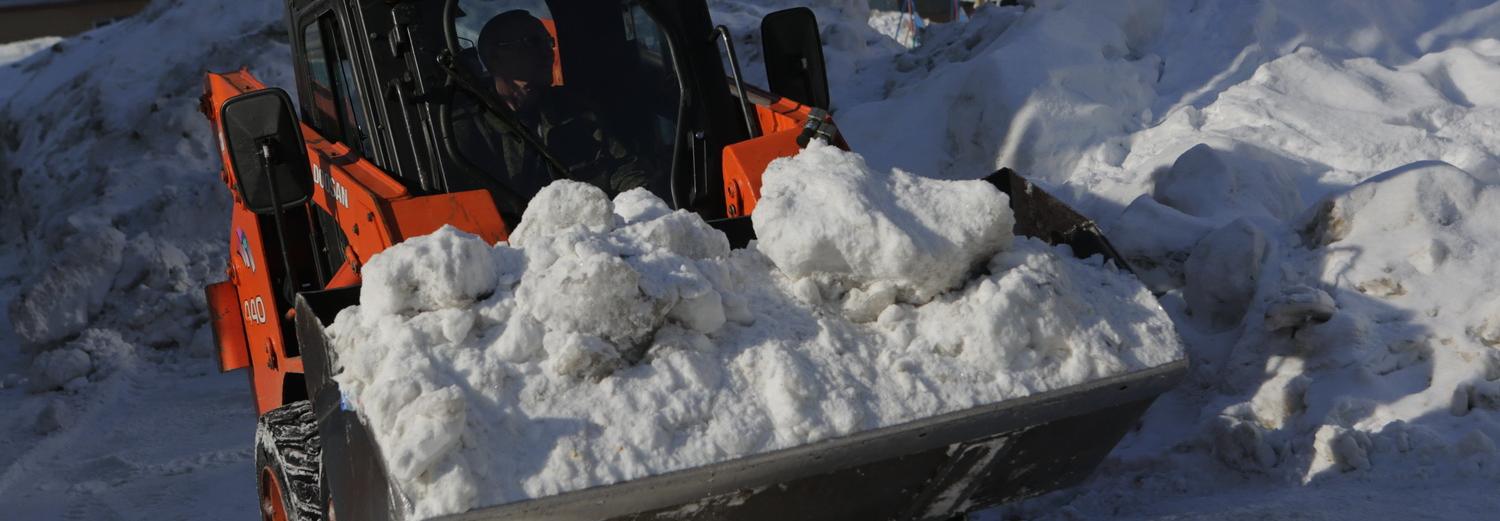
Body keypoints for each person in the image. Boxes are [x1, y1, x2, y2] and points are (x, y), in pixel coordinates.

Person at [454, 9, 649, 201]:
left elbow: (623, 169)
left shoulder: (577, 111)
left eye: (549, 42)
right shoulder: (463, 129)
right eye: (532, 42)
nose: (548, 52)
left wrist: (640, 204)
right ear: (494, 57)